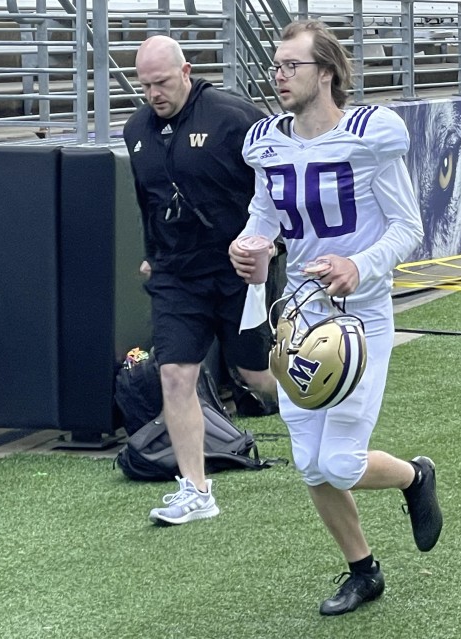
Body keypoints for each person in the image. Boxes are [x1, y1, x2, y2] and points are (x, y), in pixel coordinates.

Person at [228, 20, 442, 617]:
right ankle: (363, 570)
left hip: (359, 317)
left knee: (340, 462)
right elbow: (263, 216)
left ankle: (414, 477)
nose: (279, 75)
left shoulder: (370, 134)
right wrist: (251, 247)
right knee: (309, 464)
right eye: (275, 65)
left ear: (326, 72)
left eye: (291, 65)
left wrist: (359, 265)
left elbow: (407, 228)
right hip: (297, 314)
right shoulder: (268, 140)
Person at [123, 35, 278, 525]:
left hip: (238, 269)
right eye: (145, 85)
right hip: (177, 275)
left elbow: (276, 189)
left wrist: (271, 247)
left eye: (162, 82)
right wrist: (153, 256)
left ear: (186, 71)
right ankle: (195, 489)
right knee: (175, 374)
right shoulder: (136, 130)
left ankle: (324, 408)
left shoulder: (235, 117)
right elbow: (146, 200)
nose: (154, 94)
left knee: (255, 375)